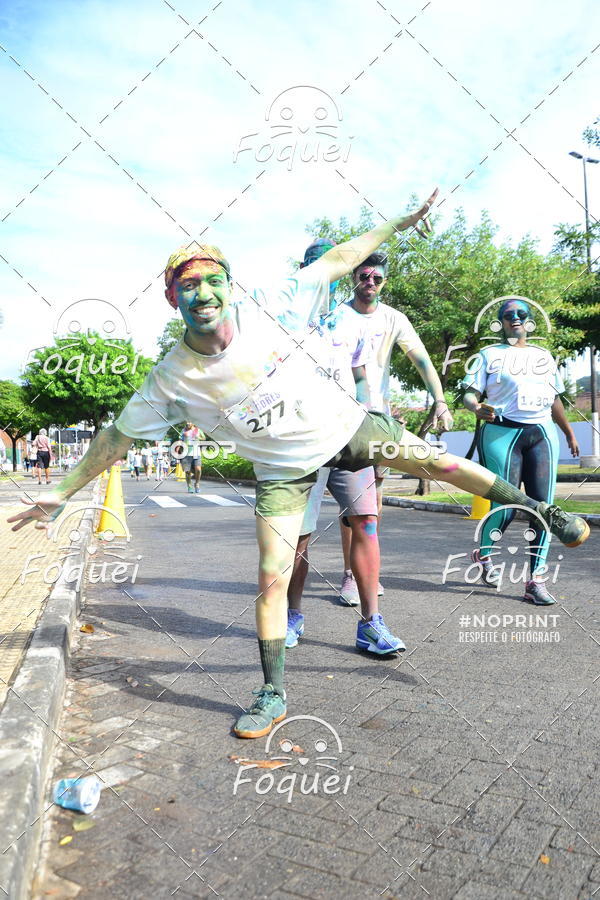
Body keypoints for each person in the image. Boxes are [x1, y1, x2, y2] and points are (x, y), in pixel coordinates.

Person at [9, 192, 590, 742]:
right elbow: (114, 439)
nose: (203, 293)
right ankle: (272, 692)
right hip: (282, 475)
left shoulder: (276, 304)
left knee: (435, 462)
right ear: (172, 299)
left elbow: (341, 257)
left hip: (346, 428)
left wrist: (398, 223)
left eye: (214, 281)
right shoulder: (170, 379)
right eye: (189, 286)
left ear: (230, 287)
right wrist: (61, 490)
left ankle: (544, 512)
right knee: (271, 573)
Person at [285, 238, 402, 656]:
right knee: (298, 536)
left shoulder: (350, 320)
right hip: (300, 443)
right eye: (315, 265)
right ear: (302, 270)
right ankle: (291, 616)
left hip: (347, 437)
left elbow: (358, 375)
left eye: (333, 264)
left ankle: (371, 624)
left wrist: (367, 422)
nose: (324, 272)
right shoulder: (280, 320)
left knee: (367, 523)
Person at [344, 249, 454, 594]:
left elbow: (421, 360)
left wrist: (439, 400)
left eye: (377, 278)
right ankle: (350, 575)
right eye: (364, 276)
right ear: (354, 278)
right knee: (353, 499)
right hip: (342, 418)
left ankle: (366, 572)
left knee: (372, 497)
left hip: (380, 418)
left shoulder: (394, 318)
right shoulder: (338, 316)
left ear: (384, 282)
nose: (370, 283)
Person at [462, 296, 580, 605]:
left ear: (529, 321)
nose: (515, 318)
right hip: (502, 433)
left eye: (521, 314)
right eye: (508, 314)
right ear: (499, 322)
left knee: (544, 510)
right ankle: (484, 555)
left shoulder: (543, 356)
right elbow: (469, 394)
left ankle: (535, 581)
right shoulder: (487, 355)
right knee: (508, 507)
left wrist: (568, 432)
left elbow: (555, 400)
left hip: (541, 433)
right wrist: (477, 408)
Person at [181, 423, 204, 493]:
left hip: (196, 453)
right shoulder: (183, 430)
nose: (187, 423)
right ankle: (189, 486)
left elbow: (204, 438)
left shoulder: (198, 430)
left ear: (193, 423)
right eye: (187, 422)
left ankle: (197, 484)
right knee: (188, 471)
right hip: (186, 453)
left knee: (198, 470)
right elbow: (180, 440)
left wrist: (198, 437)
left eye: (189, 421)